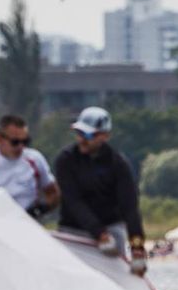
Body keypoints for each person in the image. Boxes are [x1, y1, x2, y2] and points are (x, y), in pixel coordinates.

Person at [53, 107, 147, 276]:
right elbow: (74, 201)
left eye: (89, 135)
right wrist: (99, 234)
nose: (82, 139)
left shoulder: (118, 164)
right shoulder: (65, 160)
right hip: (73, 229)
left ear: (105, 136)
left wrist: (137, 247)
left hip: (111, 229)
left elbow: (130, 206)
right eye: (80, 133)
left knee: (117, 279)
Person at [0, 115, 60, 217]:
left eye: (25, 141)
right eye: (15, 142)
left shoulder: (35, 160)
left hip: (30, 222)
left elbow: (52, 193)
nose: (21, 146)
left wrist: (41, 209)